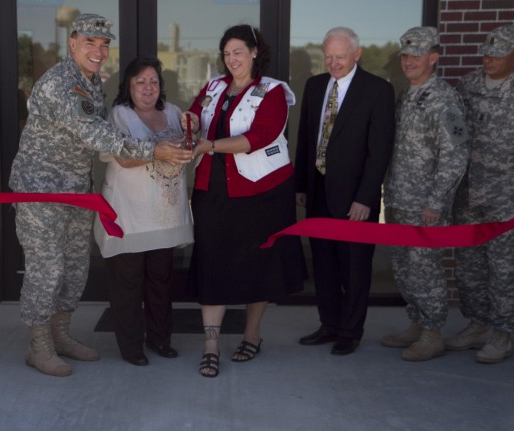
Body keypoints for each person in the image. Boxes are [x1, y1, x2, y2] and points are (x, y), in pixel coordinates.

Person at [8, 14, 191, 377]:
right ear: (72, 42)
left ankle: (61, 335)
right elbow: (96, 135)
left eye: (104, 44)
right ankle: (39, 344)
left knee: (75, 267)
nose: (98, 50)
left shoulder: (89, 81)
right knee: (48, 269)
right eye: (90, 42)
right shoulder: (61, 83)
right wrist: (155, 151)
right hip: (41, 190)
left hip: (76, 188)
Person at [186, 24, 306, 378]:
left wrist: (210, 145)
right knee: (212, 262)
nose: (232, 59)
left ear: (255, 52)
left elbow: (259, 136)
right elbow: (196, 115)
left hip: (263, 192)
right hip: (213, 189)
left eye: (238, 51)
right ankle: (211, 346)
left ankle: (252, 335)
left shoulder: (272, 92)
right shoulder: (214, 87)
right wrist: (190, 119)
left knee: (259, 263)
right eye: (226, 53)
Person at [295, 27, 395, 356]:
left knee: (354, 265)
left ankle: (350, 331)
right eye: (328, 56)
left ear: (357, 54)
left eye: (339, 56)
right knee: (322, 262)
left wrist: (366, 198)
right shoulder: (314, 86)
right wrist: (301, 185)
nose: (333, 63)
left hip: (355, 197)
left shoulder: (377, 91)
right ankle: (329, 324)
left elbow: (379, 151)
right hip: (319, 189)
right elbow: (306, 139)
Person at [94, 57, 193, 366]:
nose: (148, 88)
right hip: (130, 215)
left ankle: (161, 339)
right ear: (129, 86)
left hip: (164, 216)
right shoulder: (120, 115)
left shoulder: (174, 113)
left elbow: (190, 146)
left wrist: (194, 135)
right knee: (127, 284)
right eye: (141, 82)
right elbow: (123, 158)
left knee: (160, 282)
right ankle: (131, 346)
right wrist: (161, 151)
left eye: (153, 81)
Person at [382, 27, 469, 362]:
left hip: (425, 206)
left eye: (416, 55)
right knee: (404, 267)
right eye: (405, 55)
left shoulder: (443, 99)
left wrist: (436, 202)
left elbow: (455, 155)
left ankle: (433, 333)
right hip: (399, 200)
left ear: (433, 57)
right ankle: (417, 323)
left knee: (425, 270)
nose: (409, 61)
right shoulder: (408, 95)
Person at [448, 24, 514, 364]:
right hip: (469, 190)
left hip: (506, 194)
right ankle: (478, 324)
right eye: (487, 51)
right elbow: (454, 130)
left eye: (498, 52)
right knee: (469, 264)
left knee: (503, 268)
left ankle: (503, 332)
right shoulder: (470, 84)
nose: (488, 57)